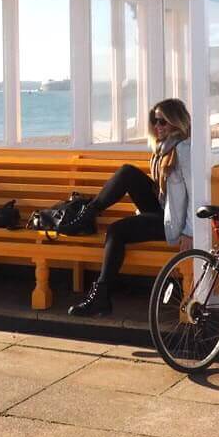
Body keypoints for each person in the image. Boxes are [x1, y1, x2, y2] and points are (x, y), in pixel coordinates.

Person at [68, 98, 193, 317]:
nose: (157, 126)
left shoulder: (184, 151)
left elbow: (195, 195)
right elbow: (164, 193)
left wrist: (189, 232)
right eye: (155, 121)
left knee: (116, 230)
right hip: (163, 211)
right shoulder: (163, 150)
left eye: (162, 122)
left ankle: (101, 296)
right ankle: (88, 214)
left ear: (176, 122)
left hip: (174, 222)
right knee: (127, 172)